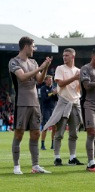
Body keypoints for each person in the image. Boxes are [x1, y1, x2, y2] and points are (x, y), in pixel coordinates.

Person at [9, 36, 52, 174]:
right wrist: (40, 67)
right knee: (19, 134)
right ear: (26, 46)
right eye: (33, 46)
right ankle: (16, 166)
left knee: (35, 134)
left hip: (35, 103)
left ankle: (35, 165)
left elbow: (39, 79)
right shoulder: (14, 61)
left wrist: (45, 68)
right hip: (21, 102)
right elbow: (22, 77)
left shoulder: (33, 62)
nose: (34, 49)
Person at [43, 48, 84, 166]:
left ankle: (72, 157)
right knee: (59, 133)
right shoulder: (60, 68)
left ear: (73, 57)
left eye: (67, 55)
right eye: (63, 55)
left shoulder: (78, 71)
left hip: (75, 103)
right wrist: (75, 78)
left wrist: (80, 82)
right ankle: (57, 157)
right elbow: (60, 83)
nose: (64, 57)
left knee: (74, 134)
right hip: (63, 102)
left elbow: (79, 88)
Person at [40, 75, 57, 150]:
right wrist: (52, 94)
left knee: (54, 127)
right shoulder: (43, 89)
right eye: (49, 80)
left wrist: (56, 94)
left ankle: (53, 144)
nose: (51, 81)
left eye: (52, 80)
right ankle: (42, 144)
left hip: (53, 109)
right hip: (46, 109)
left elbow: (56, 99)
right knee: (45, 127)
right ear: (45, 81)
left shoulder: (54, 88)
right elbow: (44, 99)